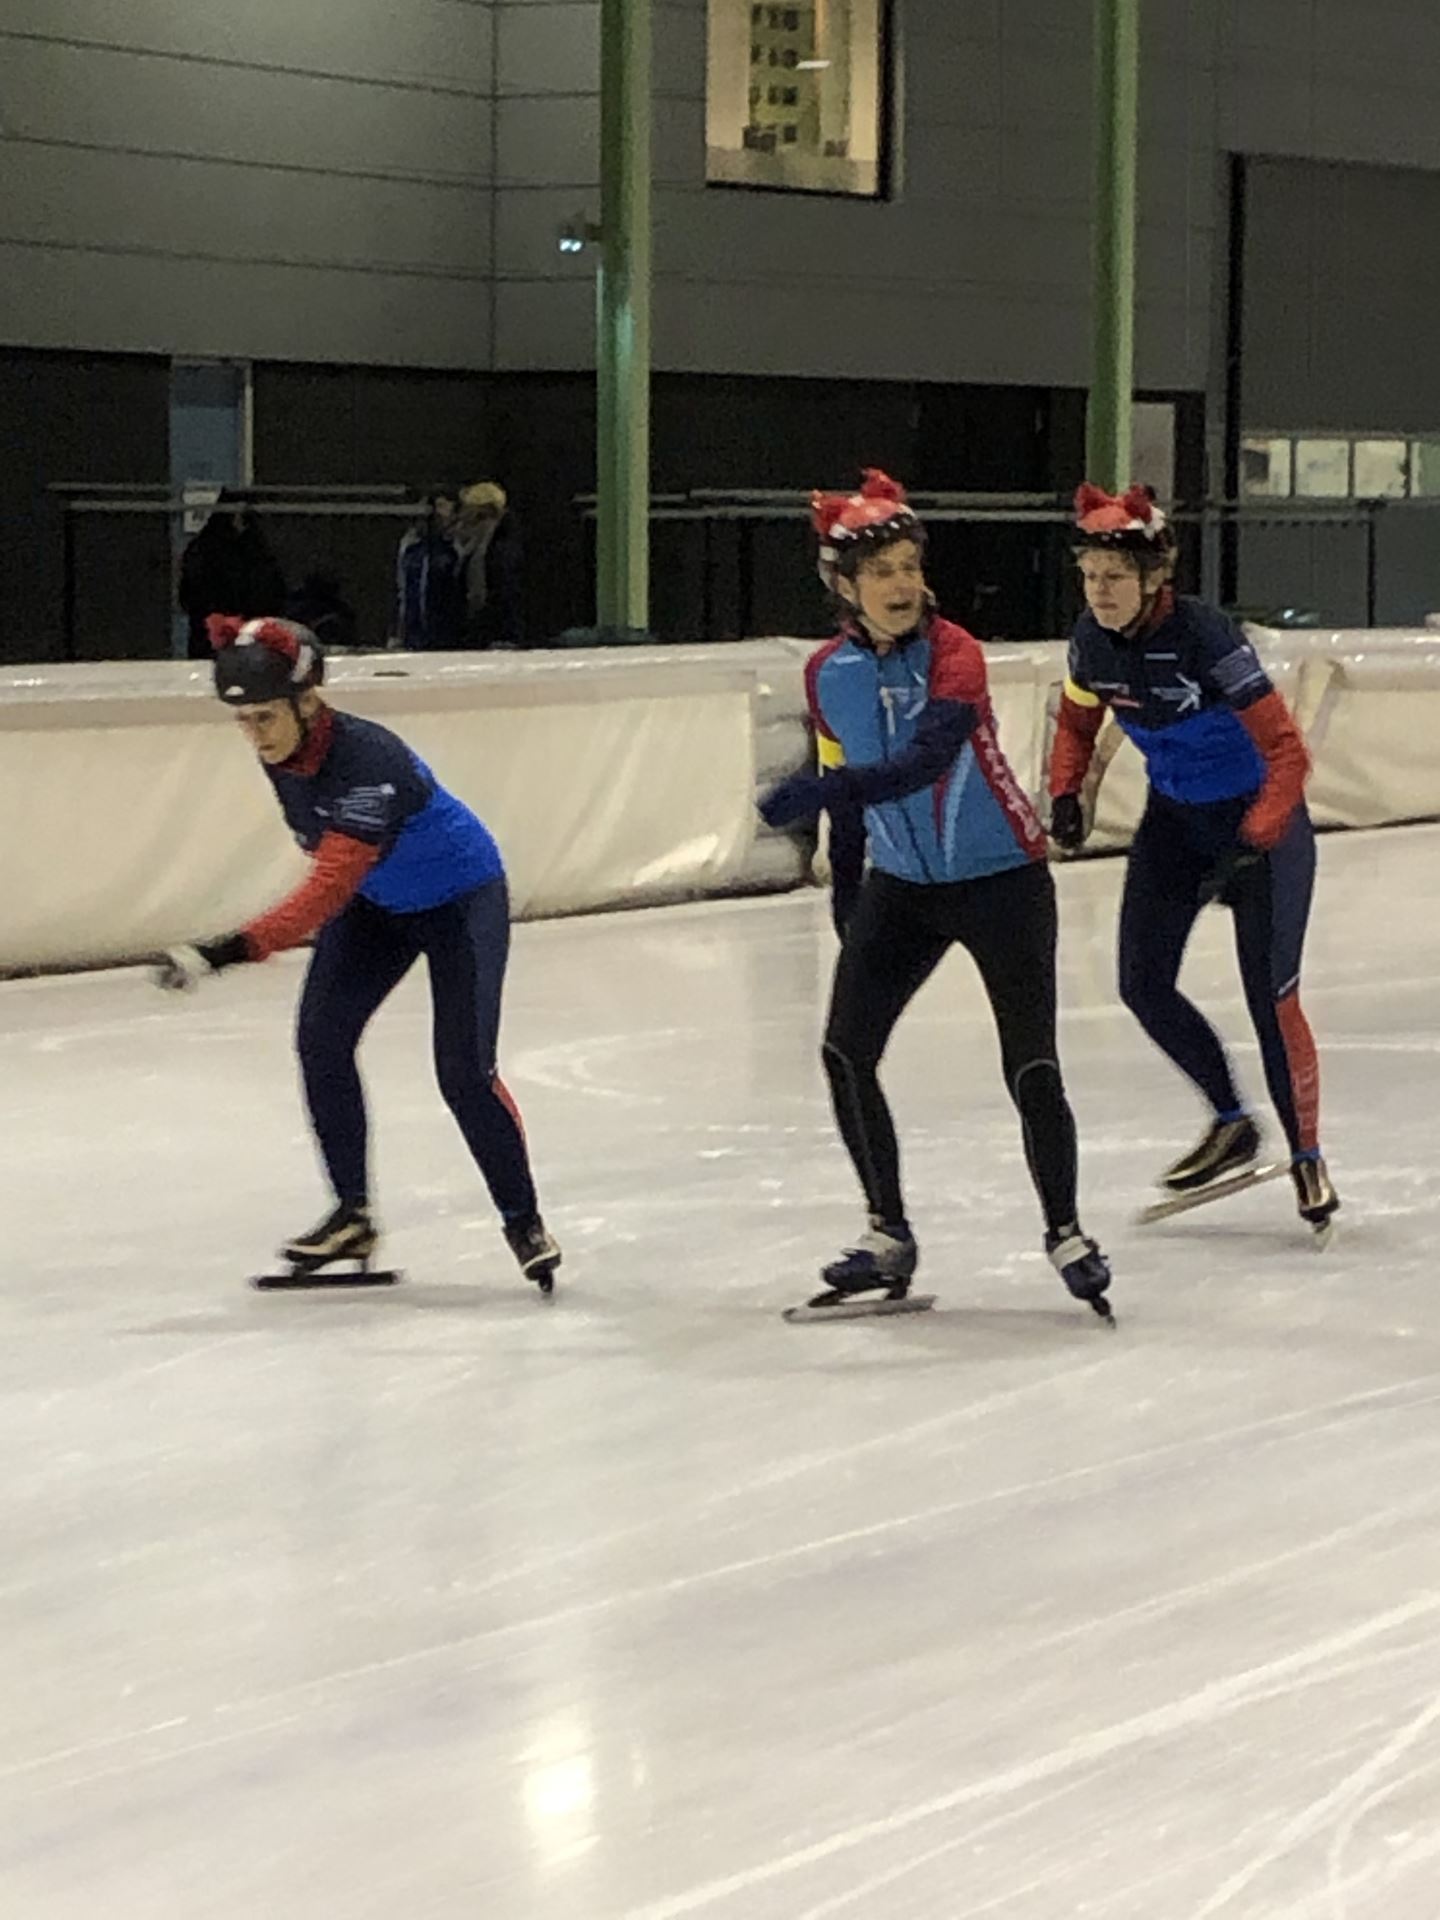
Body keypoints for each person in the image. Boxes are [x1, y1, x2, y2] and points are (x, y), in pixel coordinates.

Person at [759, 470, 1112, 1321]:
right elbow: (849, 792)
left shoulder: (957, 653)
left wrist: (820, 792)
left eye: (911, 567)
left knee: (1030, 1063)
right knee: (846, 1052)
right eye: (882, 572)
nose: (903, 585)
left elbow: (923, 763)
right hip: (904, 888)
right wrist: (848, 895)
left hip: (1003, 880)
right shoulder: (826, 675)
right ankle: (887, 1233)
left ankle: (1065, 1231)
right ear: (844, 586)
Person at [153, 614, 560, 1291]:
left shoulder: (371, 762)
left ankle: (523, 1221)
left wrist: (227, 950)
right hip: (378, 904)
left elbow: (326, 889)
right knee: (322, 1040)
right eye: (243, 721)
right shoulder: (285, 752)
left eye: (265, 718)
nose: (255, 736)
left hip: (460, 901)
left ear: (309, 700)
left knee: (463, 1073)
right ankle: (352, 1216)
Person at [1048, 483, 1339, 1235]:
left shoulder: (1206, 638)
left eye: (1115, 576)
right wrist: (1065, 791)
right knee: (1141, 984)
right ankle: (1231, 1121)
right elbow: (1076, 724)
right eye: (1089, 575)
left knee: (1271, 999)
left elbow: (1288, 752)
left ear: (1153, 578)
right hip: (1175, 823)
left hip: (1259, 825)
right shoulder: (1089, 641)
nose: (1099, 591)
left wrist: (1259, 833)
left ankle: (1308, 1155)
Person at [178, 493, 287, 659]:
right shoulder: (206, 549)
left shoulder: (257, 549)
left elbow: (271, 591)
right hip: (212, 637)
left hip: (248, 637)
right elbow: (191, 595)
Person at [393, 491, 469, 651]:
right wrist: (398, 632)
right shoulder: (411, 547)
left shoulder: (455, 549)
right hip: (414, 632)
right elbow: (402, 590)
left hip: (446, 633)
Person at [455, 482, 525, 650]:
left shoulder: (500, 548)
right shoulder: (480, 543)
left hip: (499, 637)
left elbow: (506, 592)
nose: (462, 515)